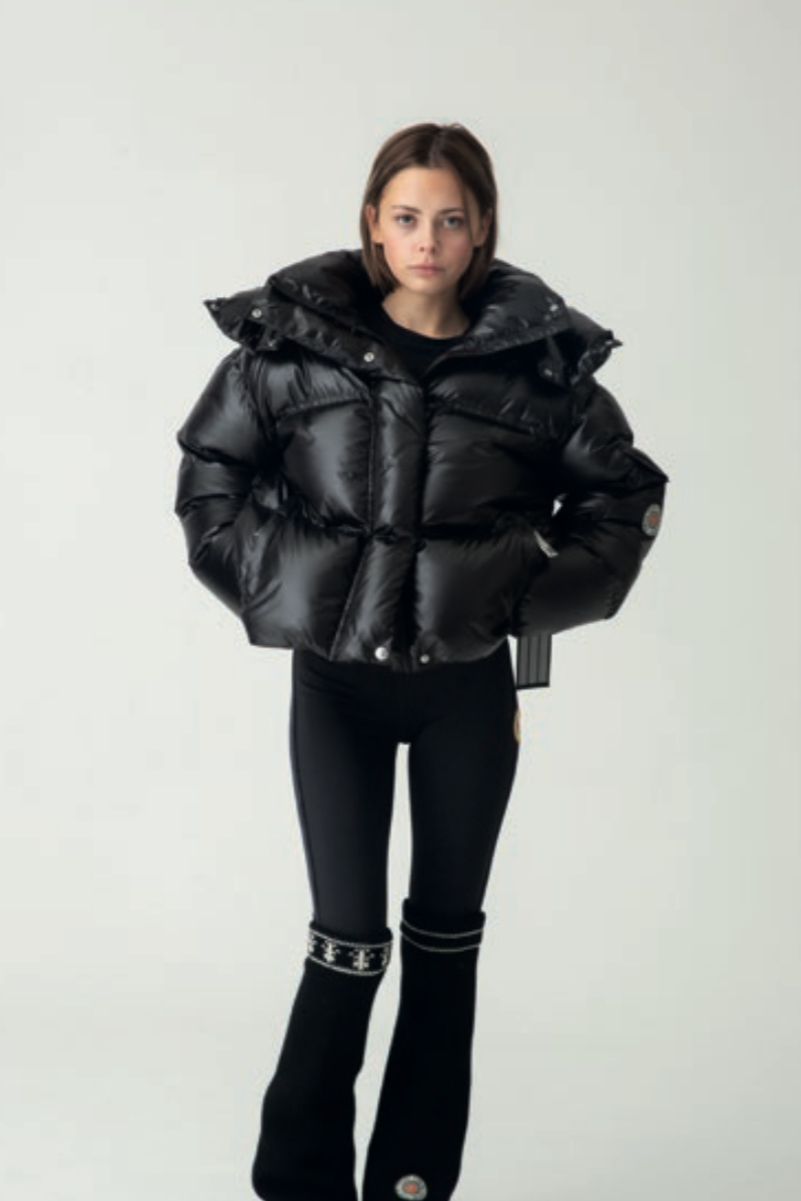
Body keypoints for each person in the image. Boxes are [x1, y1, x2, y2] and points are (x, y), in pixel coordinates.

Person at [173, 121, 668, 1201]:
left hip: (466, 696)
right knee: (346, 940)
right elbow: (211, 473)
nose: (428, 240)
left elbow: (623, 499)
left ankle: (410, 1186)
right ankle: (300, 1185)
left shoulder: (539, 369)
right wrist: (283, 584)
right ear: (373, 223)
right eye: (407, 217)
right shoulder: (290, 351)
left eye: (450, 219)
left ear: (482, 227)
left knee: (446, 943)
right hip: (336, 689)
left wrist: (514, 597)